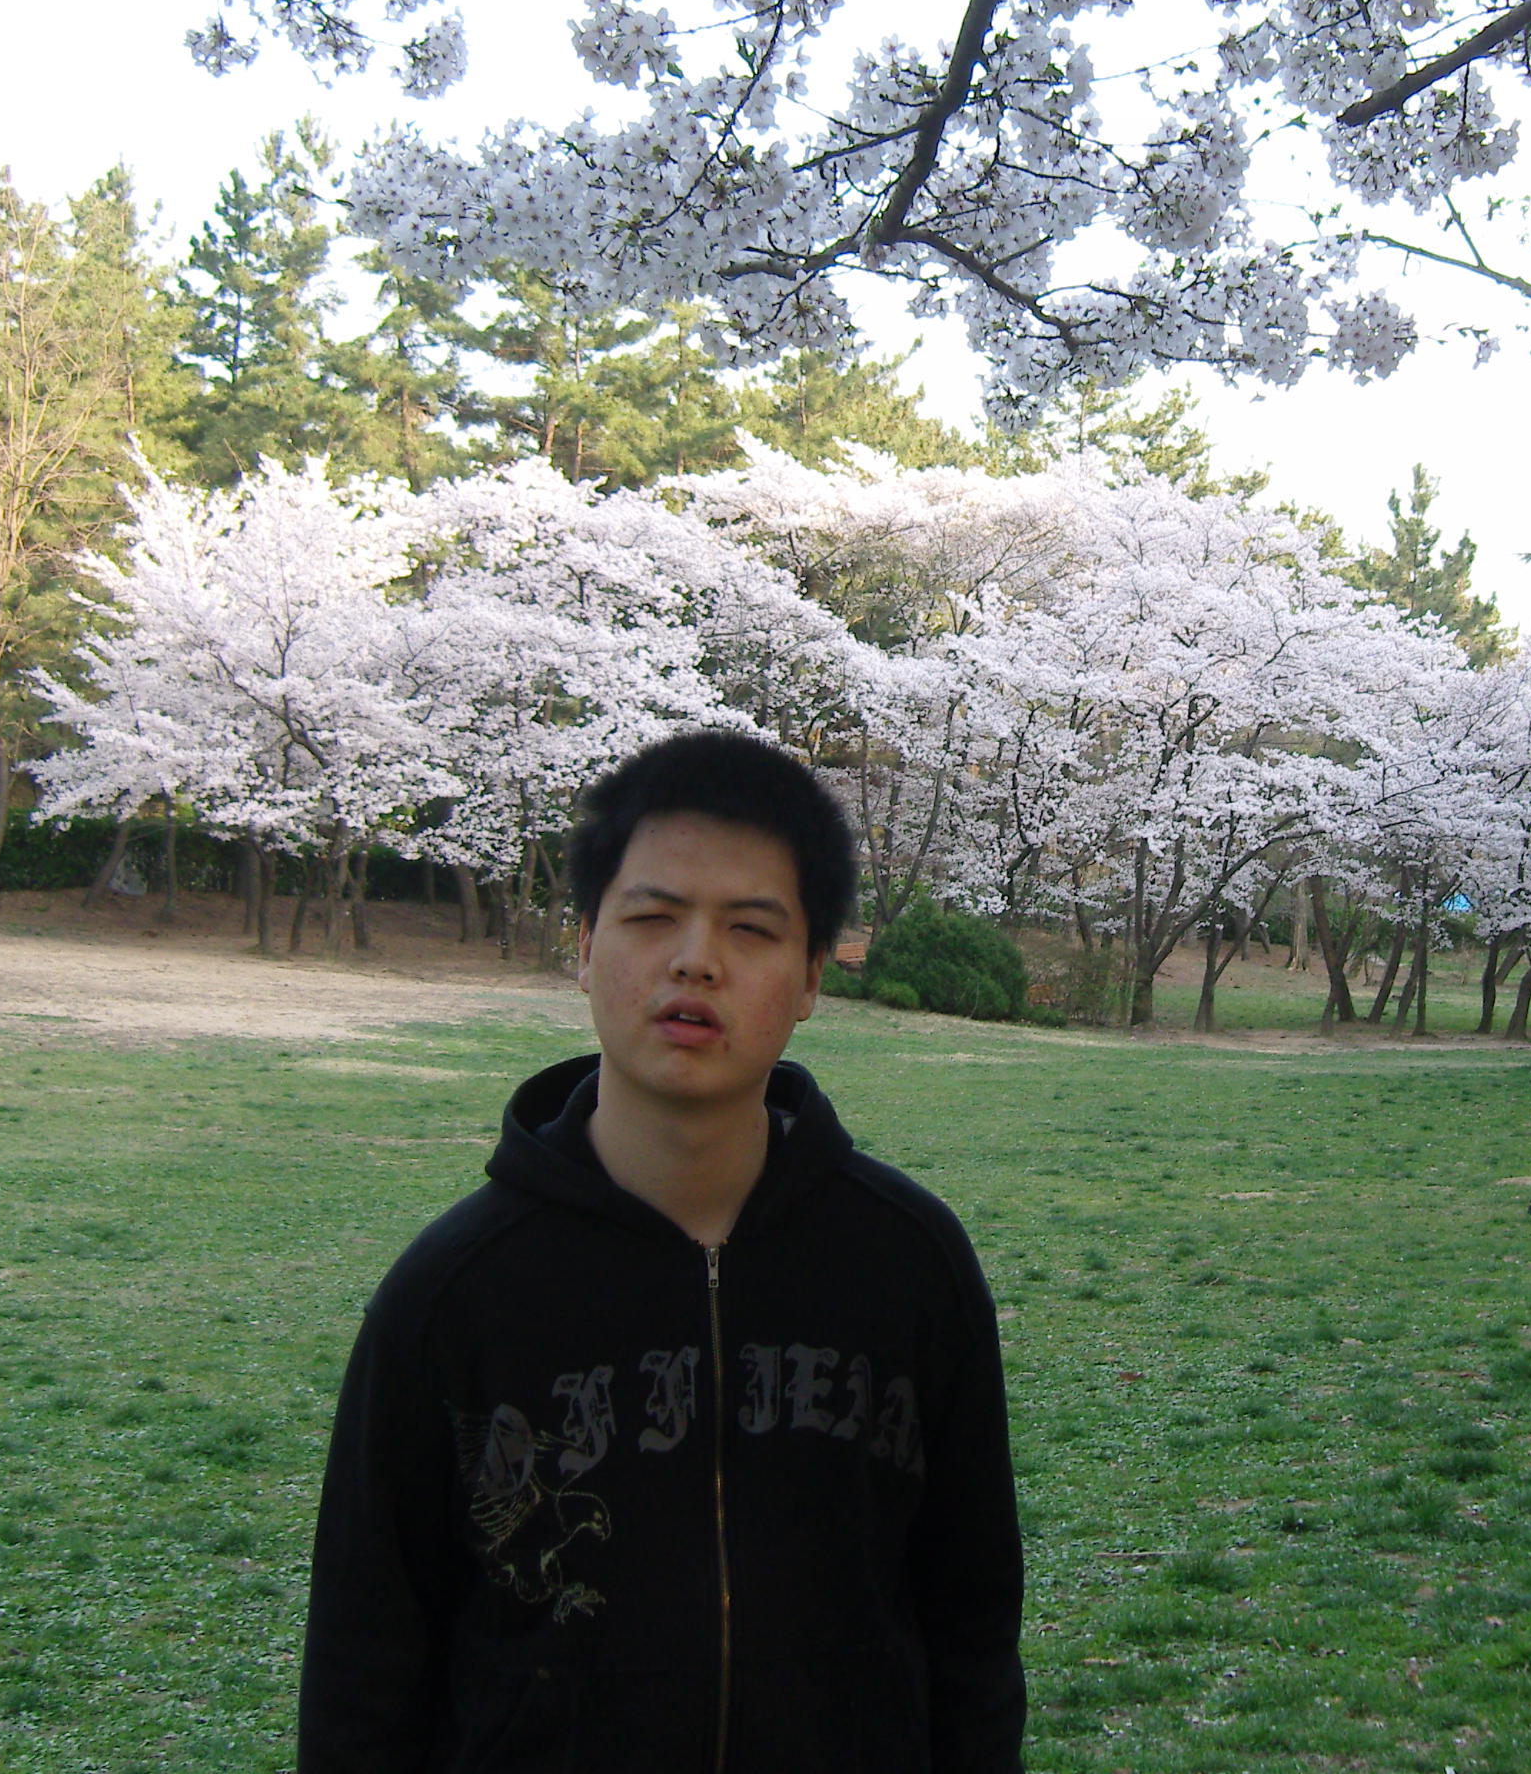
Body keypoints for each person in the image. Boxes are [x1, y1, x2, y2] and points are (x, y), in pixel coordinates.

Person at [298, 731, 1025, 1774]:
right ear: (585, 945)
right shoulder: (453, 1294)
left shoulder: (913, 1267)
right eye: (652, 917)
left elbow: (972, 1632)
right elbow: (363, 1670)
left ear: (812, 976)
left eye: (752, 928)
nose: (696, 960)